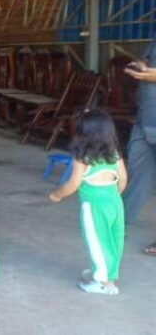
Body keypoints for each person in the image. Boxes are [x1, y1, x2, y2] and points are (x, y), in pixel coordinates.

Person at [49, 109, 127, 295]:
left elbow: (73, 184)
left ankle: (103, 283)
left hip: (94, 206)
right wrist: (112, 195)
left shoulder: (82, 158)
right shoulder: (115, 154)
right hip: (115, 203)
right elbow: (123, 180)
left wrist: (57, 195)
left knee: (97, 242)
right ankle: (108, 273)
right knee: (113, 241)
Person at [122, 49, 156, 255]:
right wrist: (140, 64)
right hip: (146, 119)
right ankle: (120, 224)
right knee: (136, 175)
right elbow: (148, 56)